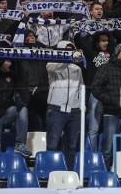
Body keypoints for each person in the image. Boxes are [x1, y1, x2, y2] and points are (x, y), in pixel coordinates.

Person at [91, 43, 121, 168]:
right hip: (111, 114)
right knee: (108, 149)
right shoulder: (106, 68)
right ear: (117, 52)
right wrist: (110, 100)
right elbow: (96, 88)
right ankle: (105, 175)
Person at [0, 58, 31, 166]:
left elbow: (22, 87)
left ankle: (20, 144)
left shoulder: (13, 75)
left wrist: (23, 102)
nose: (10, 64)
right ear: (0, 62)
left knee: (22, 109)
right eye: (7, 61)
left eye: (11, 61)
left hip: (6, 113)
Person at [45, 41, 84, 170]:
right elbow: (54, 68)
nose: (69, 52)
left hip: (74, 111)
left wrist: (82, 105)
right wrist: (68, 59)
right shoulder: (52, 64)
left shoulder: (77, 68)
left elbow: (81, 87)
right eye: (66, 50)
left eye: (71, 50)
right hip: (56, 109)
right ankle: (50, 173)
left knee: (71, 146)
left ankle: (69, 175)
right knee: (52, 144)